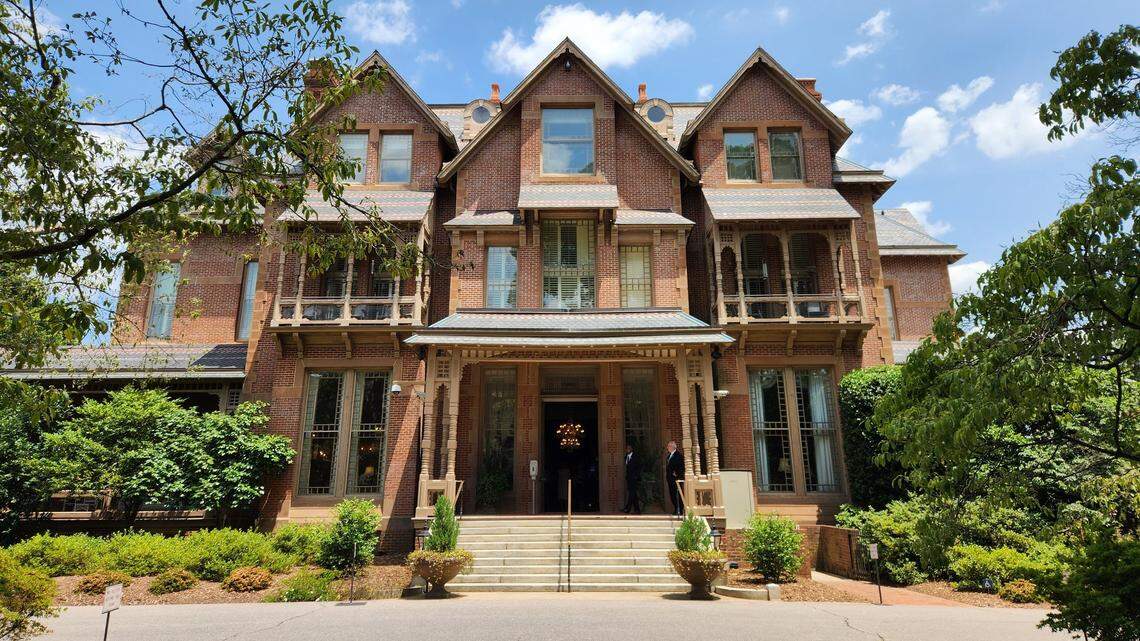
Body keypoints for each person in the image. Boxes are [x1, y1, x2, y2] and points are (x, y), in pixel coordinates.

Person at [665, 440, 685, 516]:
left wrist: (677, 475)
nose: (667, 447)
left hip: (676, 479)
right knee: (672, 495)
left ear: (673, 447)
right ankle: (676, 508)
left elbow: (681, 467)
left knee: (678, 495)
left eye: (669, 446)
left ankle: (679, 509)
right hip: (670, 480)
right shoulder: (669, 456)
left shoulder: (679, 456)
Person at [621, 443, 642, 514]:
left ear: (632, 449)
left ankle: (628, 508)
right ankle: (637, 510)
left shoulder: (636, 457)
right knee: (634, 494)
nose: (627, 449)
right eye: (627, 448)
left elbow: (639, 467)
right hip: (629, 478)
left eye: (629, 448)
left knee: (631, 493)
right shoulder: (626, 457)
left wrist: (637, 476)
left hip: (634, 478)